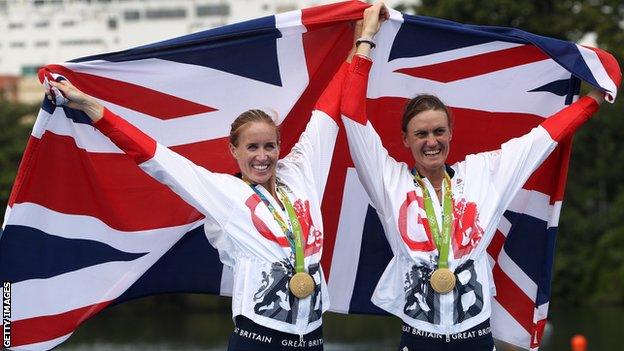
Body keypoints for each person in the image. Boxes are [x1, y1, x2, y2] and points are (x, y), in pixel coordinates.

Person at [42, 32, 360, 351]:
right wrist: (89, 104)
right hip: (260, 339)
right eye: (251, 147)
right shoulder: (225, 193)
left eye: (269, 146)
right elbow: (154, 157)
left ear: (280, 147)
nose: (262, 156)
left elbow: (328, 110)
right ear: (233, 150)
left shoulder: (303, 173)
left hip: (313, 339)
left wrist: (363, 42)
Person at [340, 2, 605, 350]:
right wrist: (366, 40)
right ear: (405, 140)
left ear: (451, 134)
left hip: (475, 339)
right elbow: (351, 115)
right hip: (418, 340)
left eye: (439, 131)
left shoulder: (483, 174)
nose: (431, 141)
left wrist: (593, 100)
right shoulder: (389, 182)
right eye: (421, 134)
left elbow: (541, 139)